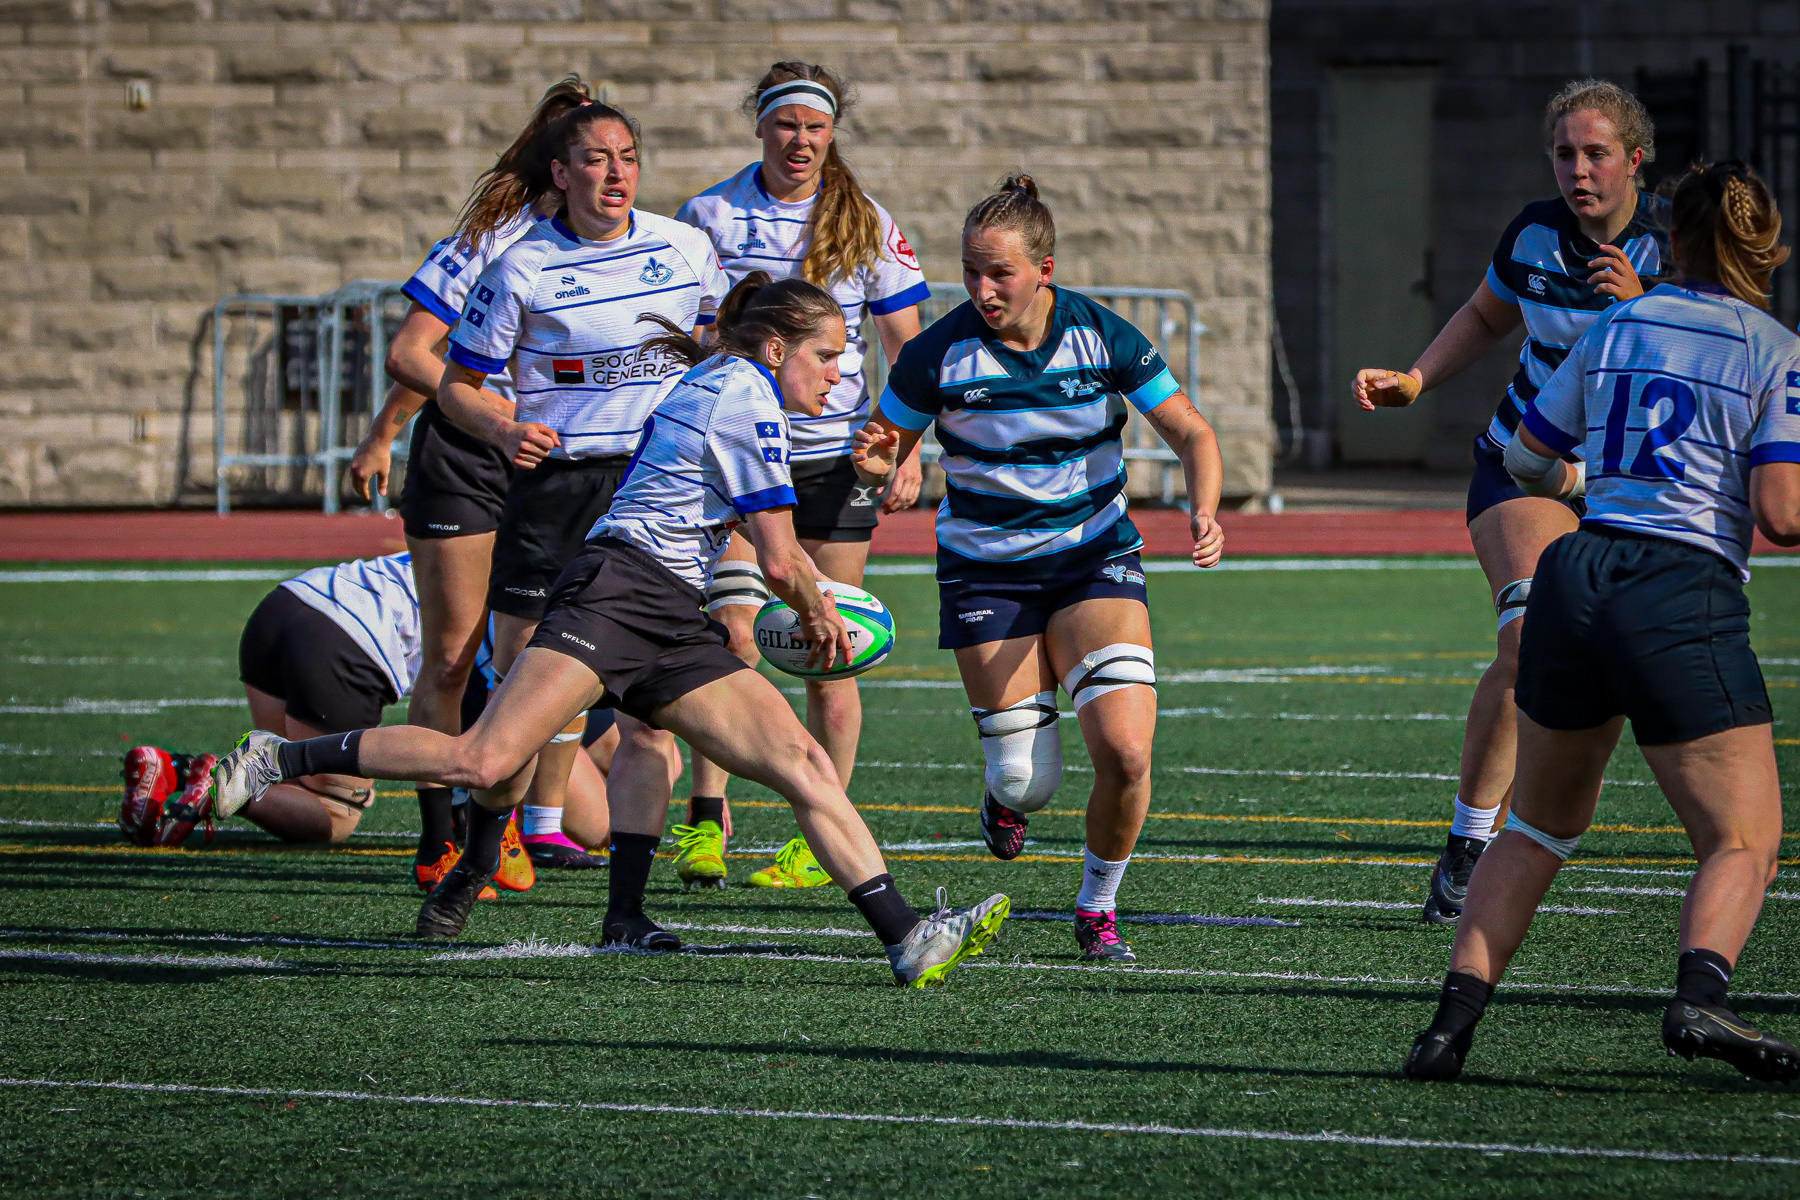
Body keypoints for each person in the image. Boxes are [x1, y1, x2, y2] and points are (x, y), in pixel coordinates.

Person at [210, 273, 1010, 988]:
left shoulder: (739, 385)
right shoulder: (745, 397)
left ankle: (907, 937)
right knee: (484, 756)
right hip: (616, 593)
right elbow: (778, 558)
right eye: (830, 356)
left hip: (666, 608)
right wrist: (819, 610)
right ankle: (276, 756)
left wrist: (858, 487)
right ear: (777, 347)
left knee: (802, 762)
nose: (841, 374)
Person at [1404, 161, 1800, 1085]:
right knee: (1743, 838)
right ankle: (1701, 995)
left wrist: (1598, 487)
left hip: (1576, 573)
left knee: (1537, 824)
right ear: (1761, 248)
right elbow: (1782, 513)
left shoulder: (1620, 321)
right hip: (1677, 584)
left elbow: (1527, 456)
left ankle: (1448, 1028)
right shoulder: (1772, 345)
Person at [852, 174, 1224, 964]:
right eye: (971, 271)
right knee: (1027, 782)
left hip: (1094, 559)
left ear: (1045, 271)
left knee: (1126, 752)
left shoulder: (1102, 336)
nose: (982, 289)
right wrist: (880, 465)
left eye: (1001, 274)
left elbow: (1193, 432)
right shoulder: (937, 353)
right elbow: (884, 452)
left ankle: (1097, 909)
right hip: (987, 572)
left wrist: (1205, 508)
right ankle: (1002, 799)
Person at [1352, 79, 1670, 925]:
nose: (1578, 169)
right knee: (1529, 639)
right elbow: (1488, 315)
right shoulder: (1533, 233)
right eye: (1564, 153)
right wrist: (1416, 379)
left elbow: (1726, 348)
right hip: (1521, 465)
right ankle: (1467, 844)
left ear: (1635, 159)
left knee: (1639, 660)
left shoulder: (1676, 242)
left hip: (1638, 483)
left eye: (1597, 152)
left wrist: (1649, 313)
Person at [436, 85, 731, 874]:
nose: (616, 174)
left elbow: (720, 349)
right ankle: (488, 826)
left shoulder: (684, 247)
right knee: (524, 657)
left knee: (648, 677)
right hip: (557, 489)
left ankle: (567, 842)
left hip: (655, 487)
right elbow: (454, 386)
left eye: (628, 159)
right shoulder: (520, 265)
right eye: (596, 160)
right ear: (561, 174)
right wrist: (502, 425)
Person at [671, 61, 930, 889]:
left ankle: (816, 840)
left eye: (816, 128)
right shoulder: (709, 214)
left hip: (835, 459)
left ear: (832, 134)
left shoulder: (864, 220)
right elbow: (692, 329)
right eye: (787, 125)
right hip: (745, 454)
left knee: (833, 646)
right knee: (730, 631)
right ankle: (705, 822)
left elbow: (907, 347)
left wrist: (905, 446)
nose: (802, 141)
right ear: (760, 126)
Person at [346, 78, 585, 884]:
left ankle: (511, 821)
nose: (597, 172)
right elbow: (414, 353)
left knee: (539, 656)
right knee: (452, 656)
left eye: (614, 157)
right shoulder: (489, 239)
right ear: (552, 162)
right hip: (466, 458)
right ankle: (438, 831)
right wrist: (406, 426)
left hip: (554, 465)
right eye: (578, 154)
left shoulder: (633, 247)